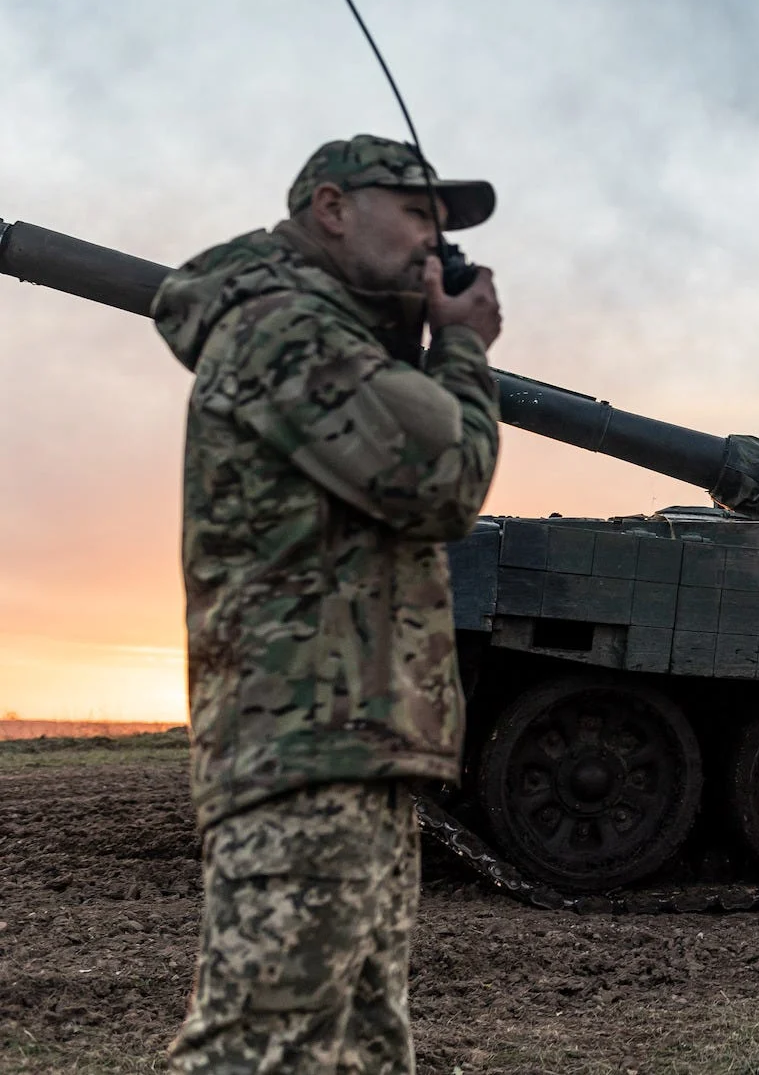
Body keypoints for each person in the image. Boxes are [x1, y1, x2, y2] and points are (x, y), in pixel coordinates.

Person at [150, 134, 503, 1073]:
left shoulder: (337, 335)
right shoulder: (283, 330)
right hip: (304, 742)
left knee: (356, 1047)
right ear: (333, 208)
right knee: (260, 1046)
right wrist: (462, 346)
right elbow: (441, 477)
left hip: (353, 741)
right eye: (418, 213)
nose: (435, 244)